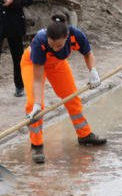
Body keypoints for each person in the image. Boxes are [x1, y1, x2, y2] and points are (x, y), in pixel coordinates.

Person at [21, 13, 106, 164]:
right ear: (47, 37)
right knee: (34, 105)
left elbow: (88, 53)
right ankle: (37, 145)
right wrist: (36, 104)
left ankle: (84, 135)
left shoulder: (76, 35)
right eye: (52, 44)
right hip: (32, 64)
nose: (55, 47)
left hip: (57, 64)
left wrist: (93, 71)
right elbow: (38, 80)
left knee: (72, 98)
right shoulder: (39, 43)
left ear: (66, 36)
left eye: (59, 45)